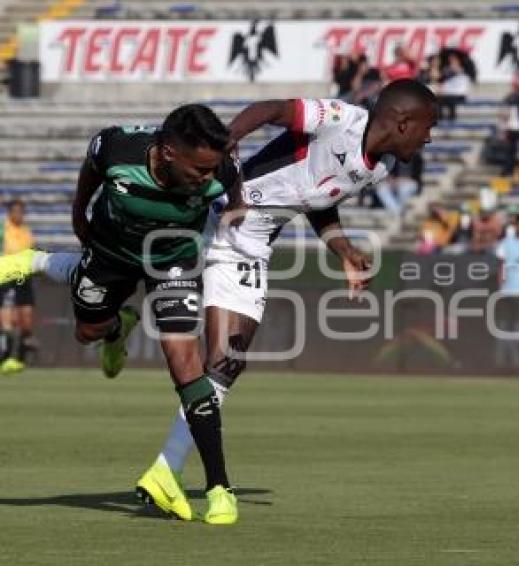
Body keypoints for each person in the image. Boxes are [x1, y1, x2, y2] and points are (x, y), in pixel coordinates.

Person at [0, 79, 439, 521]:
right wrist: (227, 145)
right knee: (104, 313)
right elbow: (273, 108)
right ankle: (47, 265)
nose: (430, 137)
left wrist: (342, 250)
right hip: (217, 221)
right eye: (429, 127)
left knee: (226, 360)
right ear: (403, 121)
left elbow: (315, 200)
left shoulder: (378, 166)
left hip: (251, 246)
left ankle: (165, 470)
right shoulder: (342, 120)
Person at [0, 104, 244, 522]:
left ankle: (220, 487)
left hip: (173, 260)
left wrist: (236, 210)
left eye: (212, 170)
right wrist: (79, 210)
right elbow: (91, 168)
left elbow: (234, 186)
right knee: (88, 332)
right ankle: (57, 276)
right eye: (199, 171)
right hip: (111, 251)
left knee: (185, 362)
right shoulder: (118, 148)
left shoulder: (218, 170)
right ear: (167, 152)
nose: (207, 179)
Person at [0, 199, 35, 373]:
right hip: (7, 276)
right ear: (10, 213)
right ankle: (5, 357)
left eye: (22, 212)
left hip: (25, 277)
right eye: (16, 211)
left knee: (26, 321)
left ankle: (20, 358)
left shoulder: (26, 231)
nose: (19, 215)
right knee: (8, 319)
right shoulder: (3, 229)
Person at [437, 52, 473, 122]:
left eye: (453, 61)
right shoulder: (447, 73)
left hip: (457, 95)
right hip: (449, 94)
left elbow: (460, 89)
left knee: (448, 101)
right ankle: (441, 118)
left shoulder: (463, 74)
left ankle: (451, 119)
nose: (451, 63)